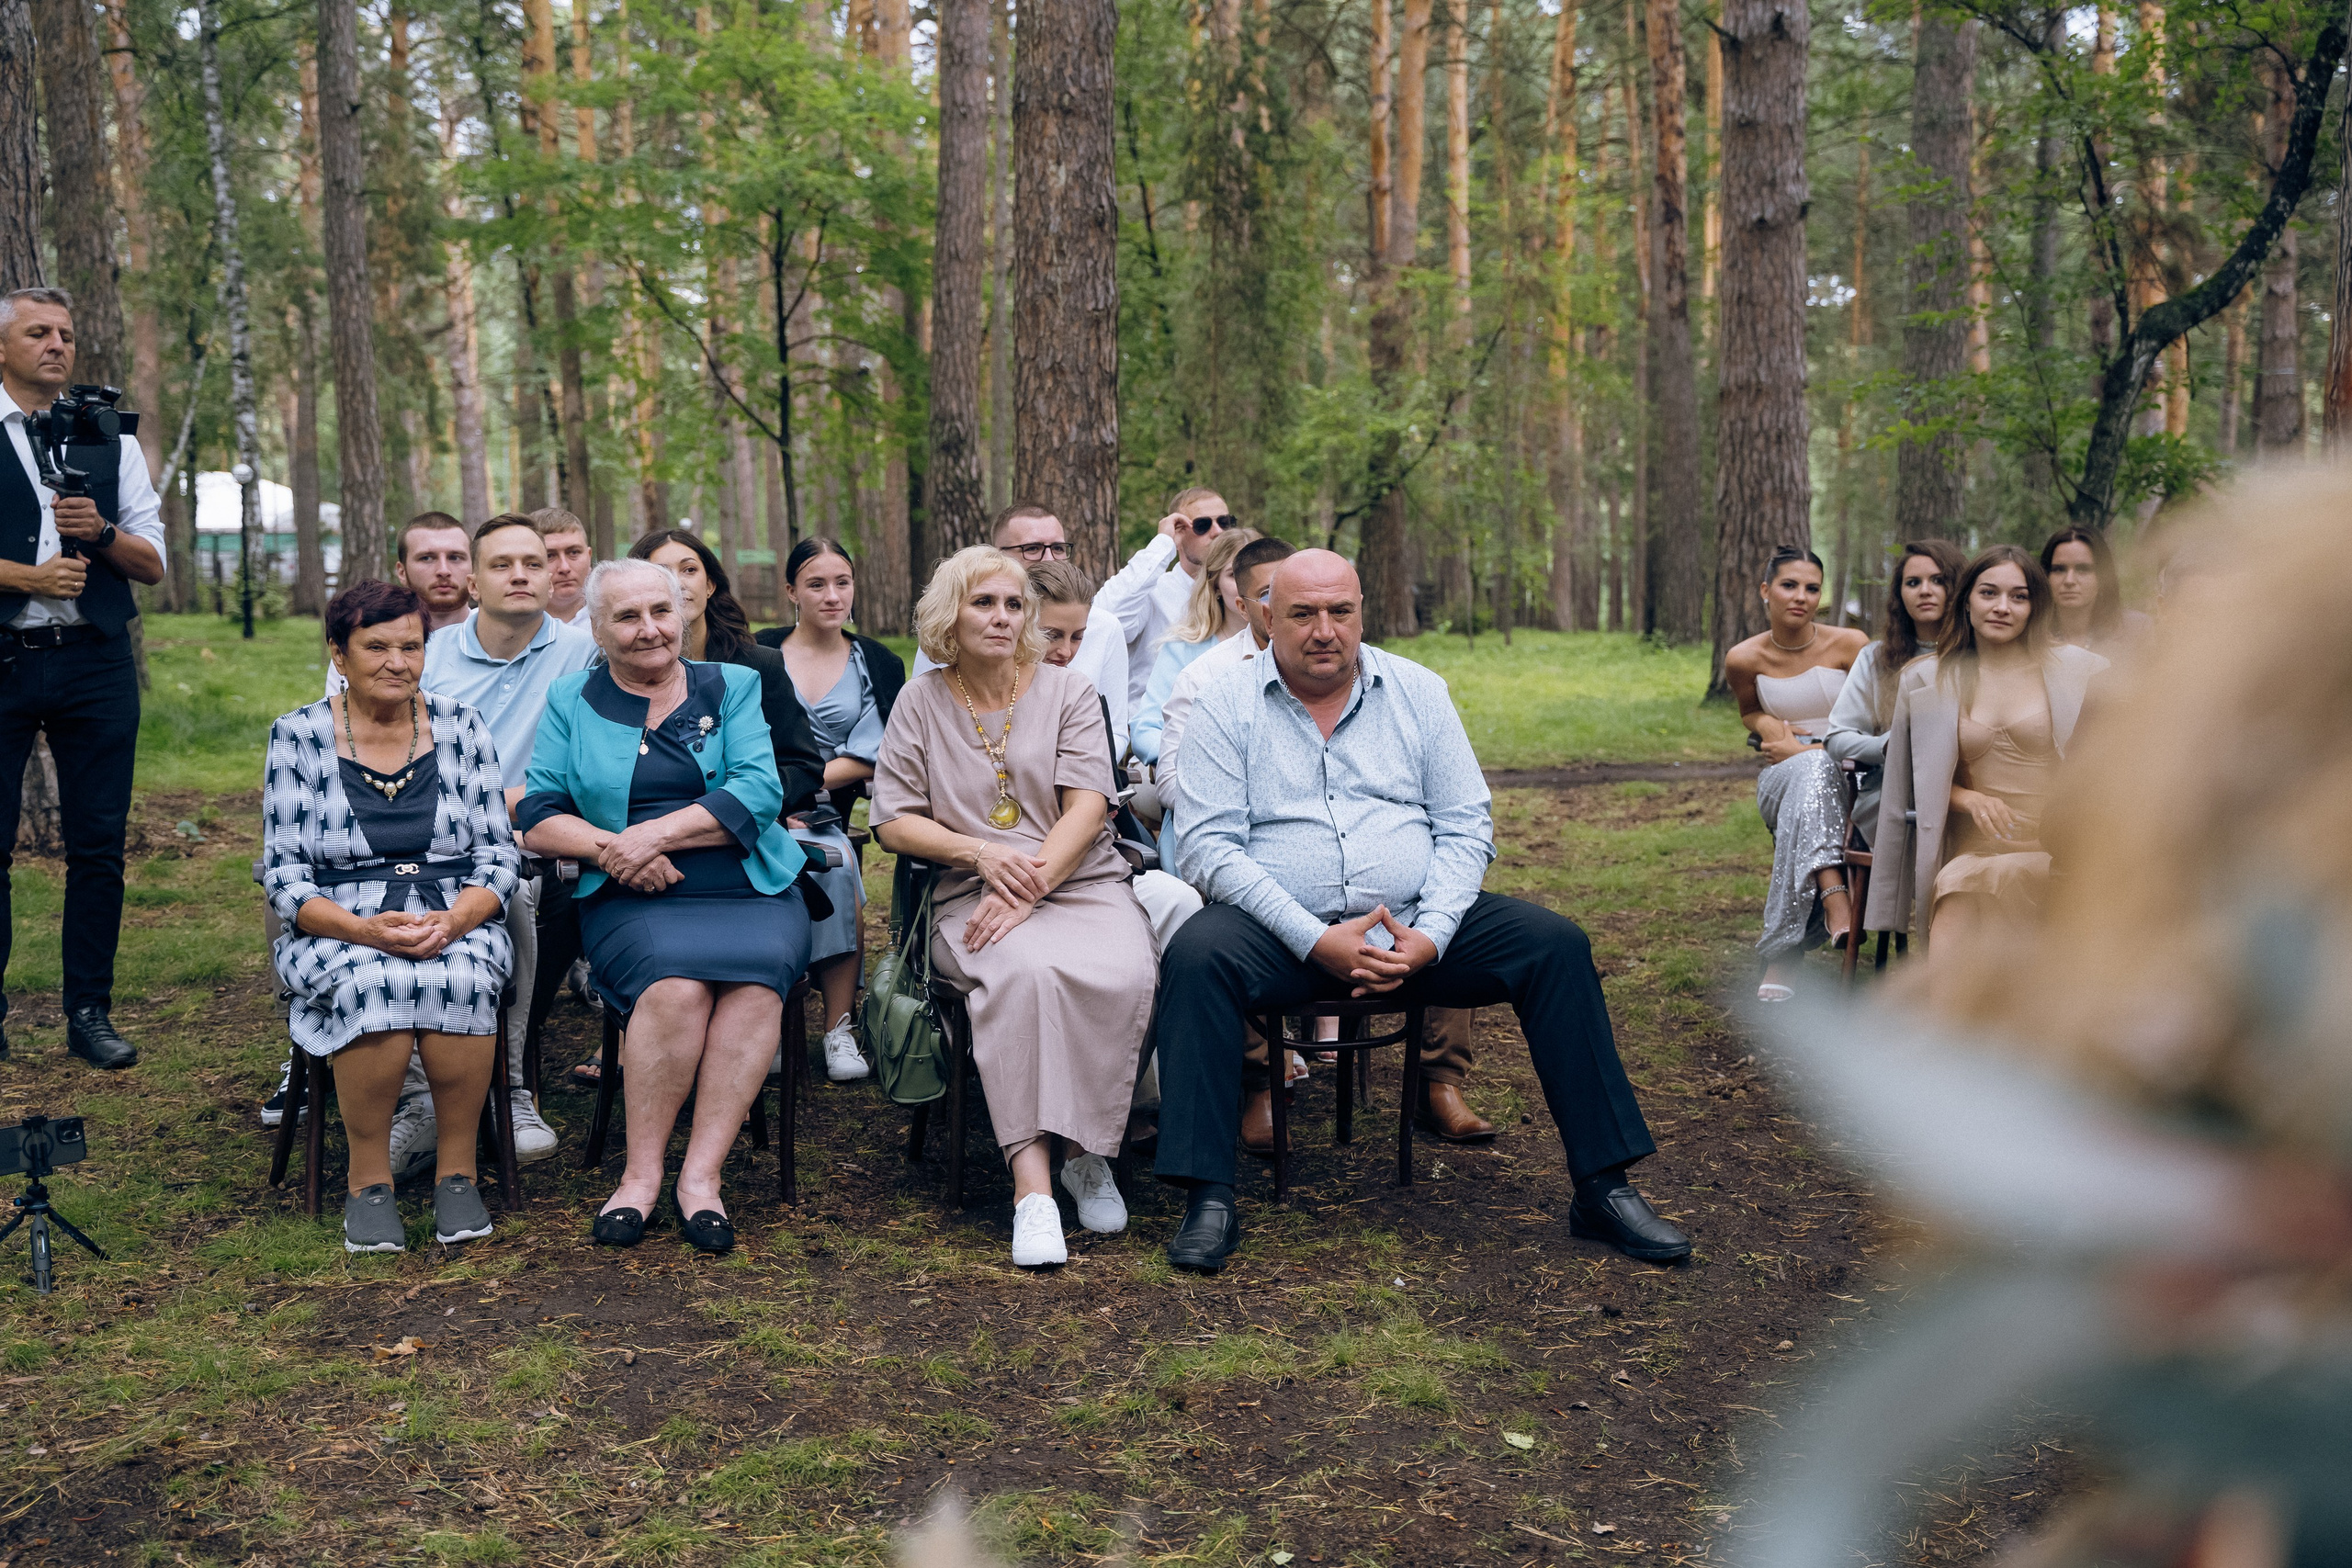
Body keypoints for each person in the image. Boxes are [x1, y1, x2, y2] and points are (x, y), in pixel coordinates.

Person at [1155, 549, 1688, 1272]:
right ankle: (1209, 1197)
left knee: (1555, 947)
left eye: (1340, 611)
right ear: (1267, 617)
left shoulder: (1418, 690)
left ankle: (1604, 1186)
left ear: (1361, 612)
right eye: (1303, 613)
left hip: (1412, 921)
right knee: (1195, 954)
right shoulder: (1225, 701)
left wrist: (1433, 935)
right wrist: (1314, 939)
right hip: (1279, 929)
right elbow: (1209, 848)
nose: (1324, 630)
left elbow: (1466, 825)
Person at [871, 546, 1159, 1269]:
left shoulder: (1068, 690)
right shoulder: (920, 700)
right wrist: (980, 856)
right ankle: (1033, 1188)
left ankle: (1086, 1156)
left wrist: (1028, 884)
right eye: (984, 602)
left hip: (1079, 880)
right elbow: (893, 821)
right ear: (950, 614)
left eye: (1013, 604)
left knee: (1124, 972)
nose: (1002, 617)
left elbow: (1088, 805)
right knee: (1026, 975)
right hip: (970, 891)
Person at [517, 558, 816, 1253]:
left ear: (683, 615)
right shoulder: (570, 699)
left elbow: (758, 792)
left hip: (749, 886)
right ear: (597, 630)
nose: (649, 628)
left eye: (662, 610)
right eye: (627, 616)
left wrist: (651, 835)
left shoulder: (732, 684)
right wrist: (614, 850)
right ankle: (641, 1176)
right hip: (630, 893)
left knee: (753, 989)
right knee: (675, 989)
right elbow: (539, 812)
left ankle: (701, 1179)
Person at [262, 581, 519, 1254]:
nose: (397, 662)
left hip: (452, 910)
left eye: (412, 646)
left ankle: (457, 1174)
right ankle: (368, 1180)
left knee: (463, 976)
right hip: (339, 921)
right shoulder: (298, 735)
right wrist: (361, 929)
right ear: (338, 654)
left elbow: (498, 856)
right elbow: (285, 875)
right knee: (373, 980)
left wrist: (456, 922)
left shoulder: (462, 725)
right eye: (376, 647)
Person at [375, 515, 596, 1173]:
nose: (522, 575)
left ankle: (511, 1087)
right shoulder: (427, 654)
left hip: (530, 844)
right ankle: (420, 1097)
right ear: (474, 582)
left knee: (521, 891)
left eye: (534, 562)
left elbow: (585, 768)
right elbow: (384, 755)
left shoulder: (584, 654)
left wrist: (509, 811)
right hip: (420, 837)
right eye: (502, 564)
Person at [0, 286, 165, 1069]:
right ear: (3, 347)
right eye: (38, 332)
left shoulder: (109, 438)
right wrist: (28, 578)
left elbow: (152, 562)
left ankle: (89, 1012)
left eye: (65, 333)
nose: (57, 345)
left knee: (98, 847)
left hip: (95, 661)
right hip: (3, 658)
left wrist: (99, 532)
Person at [630, 529, 855, 1077]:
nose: (678, 583)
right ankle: (640, 1025)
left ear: (711, 584)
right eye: (661, 571)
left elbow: (802, 764)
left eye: (689, 569)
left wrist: (752, 805)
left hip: (747, 831)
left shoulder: (759, 665)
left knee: (830, 868)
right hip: (651, 844)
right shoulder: (615, 674)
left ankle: (791, 1025)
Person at [1866, 546, 2108, 1008]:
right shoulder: (1926, 678)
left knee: (1998, 881)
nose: (2002, 607)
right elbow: (1911, 778)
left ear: (2035, 607)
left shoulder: (2082, 672)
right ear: (1966, 601)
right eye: (1989, 593)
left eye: (2019, 596)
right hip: (1974, 846)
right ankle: (1945, 1027)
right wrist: (1968, 798)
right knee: (1961, 882)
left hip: (2054, 846)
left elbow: (2108, 771)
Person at [1723, 546, 1871, 1001]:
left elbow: (1877, 722)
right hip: (1781, 778)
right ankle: (1836, 901)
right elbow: (1749, 712)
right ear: (1766, 591)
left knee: (1812, 774)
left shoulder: (1851, 644)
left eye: (1812, 588)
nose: (1801, 597)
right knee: (1808, 773)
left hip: (1856, 776)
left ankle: (1783, 955)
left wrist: (1811, 748)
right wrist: (1769, 727)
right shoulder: (1743, 658)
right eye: (1789, 585)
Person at [911, 502, 1131, 751]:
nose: (1049, 559)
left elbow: (1114, 731)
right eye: (1032, 549)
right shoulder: (958, 628)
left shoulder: (1103, 626)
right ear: (997, 555)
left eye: (1058, 548)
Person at [1825, 540, 1966, 855]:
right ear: (1899, 595)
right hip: (1891, 798)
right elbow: (1836, 738)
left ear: (1958, 588)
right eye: (1913, 583)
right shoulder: (1876, 658)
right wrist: (1887, 745)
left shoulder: (1977, 655)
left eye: (1938, 580)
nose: (1925, 591)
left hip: (1967, 795)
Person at [1097, 486, 1236, 712]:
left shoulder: (1243, 596)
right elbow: (1105, 621)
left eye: (1225, 522)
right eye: (1202, 525)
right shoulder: (1153, 590)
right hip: (1154, 726)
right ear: (1179, 534)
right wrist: (1163, 543)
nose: (1218, 531)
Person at [1130, 527, 1259, 769]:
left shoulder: (1287, 649)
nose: (1246, 585)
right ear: (1215, 584)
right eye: (1234, 574)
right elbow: (1146, 730)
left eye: (1254, 574)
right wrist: (1197, 759)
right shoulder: (1181, 648)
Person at [322, 513, 474, 697]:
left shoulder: (495, 641)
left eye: (455, 557)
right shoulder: (361, 643)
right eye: (427, 558)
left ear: (474, 567)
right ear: (401, 572)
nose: (443, 570)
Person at [2041, 525, 2150, 659]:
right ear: (2046, 575)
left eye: (2083, 569)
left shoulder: (2137, 630)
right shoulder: (2031, 633)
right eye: (2059, 569)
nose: (2069, 580)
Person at [531, 505, 594, 626]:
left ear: (589, 556)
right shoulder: (515, 627)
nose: (564, 568)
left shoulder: (616, 619)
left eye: (574, 553)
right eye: (550, 556)